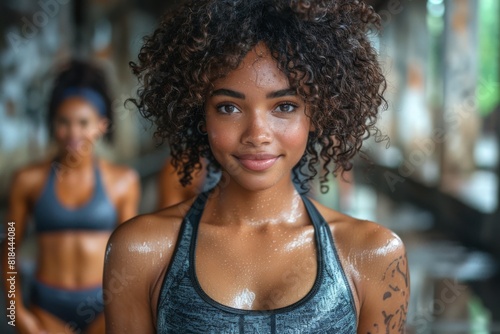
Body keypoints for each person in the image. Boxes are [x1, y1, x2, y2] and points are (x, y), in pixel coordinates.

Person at [104, 0, 409, 333]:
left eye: (285, 106)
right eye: (228, 108)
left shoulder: (373, 255)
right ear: (198, 113)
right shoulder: (140, 250)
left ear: (318, 111)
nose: (257, 135)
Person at [2, 60, 140, 334]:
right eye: (64, 122)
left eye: (83, 122)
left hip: (104, 307)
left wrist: (123, 314)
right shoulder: (27, 180)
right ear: (53, 124)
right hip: (46, 307)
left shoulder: (123, 182)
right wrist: (16, 314)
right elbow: (8, 250)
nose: (73, 133)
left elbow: (132, 259)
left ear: (102, 125)